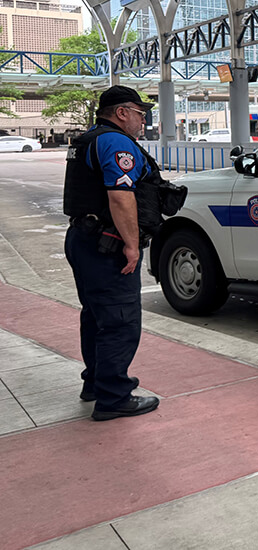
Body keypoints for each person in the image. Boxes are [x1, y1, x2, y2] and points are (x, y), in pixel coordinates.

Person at [62, 85, 161, 421]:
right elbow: (120, 197)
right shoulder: (117, 142)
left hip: (82, 238)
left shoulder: (87, 139)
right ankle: (113, 397)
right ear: (122, 112)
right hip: (107, 245)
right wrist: (132, 246)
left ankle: (95, 383)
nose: (142, 120)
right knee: (120, 321)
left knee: (95, 316)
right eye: (139, 113)